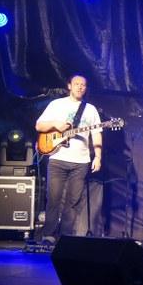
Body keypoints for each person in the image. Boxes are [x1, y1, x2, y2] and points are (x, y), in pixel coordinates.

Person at [35, 74, 102, 245]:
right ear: (69, 86)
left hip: (81, 162)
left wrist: (98, 156)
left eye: (83, 85)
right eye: (76, 84)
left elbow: (96, 134)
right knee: (53, 199)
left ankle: (65, 237)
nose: (80, 87)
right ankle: (48, 235)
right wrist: (55, 124)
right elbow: (39, 125)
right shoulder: (56, 104)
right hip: (58, 158)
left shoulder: (91, 109)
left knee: (73, 202)